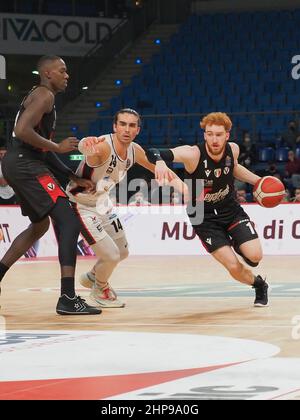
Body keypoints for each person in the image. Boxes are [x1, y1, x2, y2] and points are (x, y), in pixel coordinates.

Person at [0, 55, 101, 315]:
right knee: (68, 220)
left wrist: (71, 176)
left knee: (40, 226)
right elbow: (23, 131)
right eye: (62, 71)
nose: (67, 76)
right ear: (47, 73)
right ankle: (67, 297)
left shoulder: (40, 96)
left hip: (21, 163)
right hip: (25, 164)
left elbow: (39, 148)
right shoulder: (45, 95)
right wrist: (57, 145)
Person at [67, 108, 186, 308]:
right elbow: (86, 149)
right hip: (81, 205)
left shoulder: (135, 150)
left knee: (122, 252)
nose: (126, 129)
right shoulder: (103, 146)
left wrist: (188, 192)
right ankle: (100, 290)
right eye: (122, 124)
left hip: (103, 203)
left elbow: (161, 172)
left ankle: (92, 277)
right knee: (111, 255)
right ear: (115, 126)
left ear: (138, 130)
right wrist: (84, 144)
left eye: (132, 125)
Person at [147, 112, 269, 307]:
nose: (214, 139)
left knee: (255, 256)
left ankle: (238, 243)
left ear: (227, 135)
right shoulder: (192, 154)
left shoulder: (233, 150)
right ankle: (259, 284)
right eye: (209, 134)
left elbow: (234, 168)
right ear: (204, 135)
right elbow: (153, 151)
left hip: (230, 209)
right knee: (233, 266)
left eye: (219, 134)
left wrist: (258, 181)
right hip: (203, 218)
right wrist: (160, 162)